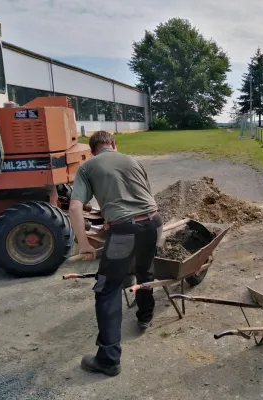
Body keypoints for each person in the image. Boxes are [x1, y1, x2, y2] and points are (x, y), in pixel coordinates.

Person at [69, 130, 163, 377]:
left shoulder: (88, 167)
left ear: (93, 151)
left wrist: (84, 243)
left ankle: (109, 359)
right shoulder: (133, 160)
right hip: (154, 222)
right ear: (113, 144)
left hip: (125, 230)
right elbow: (144, 197)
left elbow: (75, 207)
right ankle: (145, 316)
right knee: (145, 270)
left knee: (107, 289)